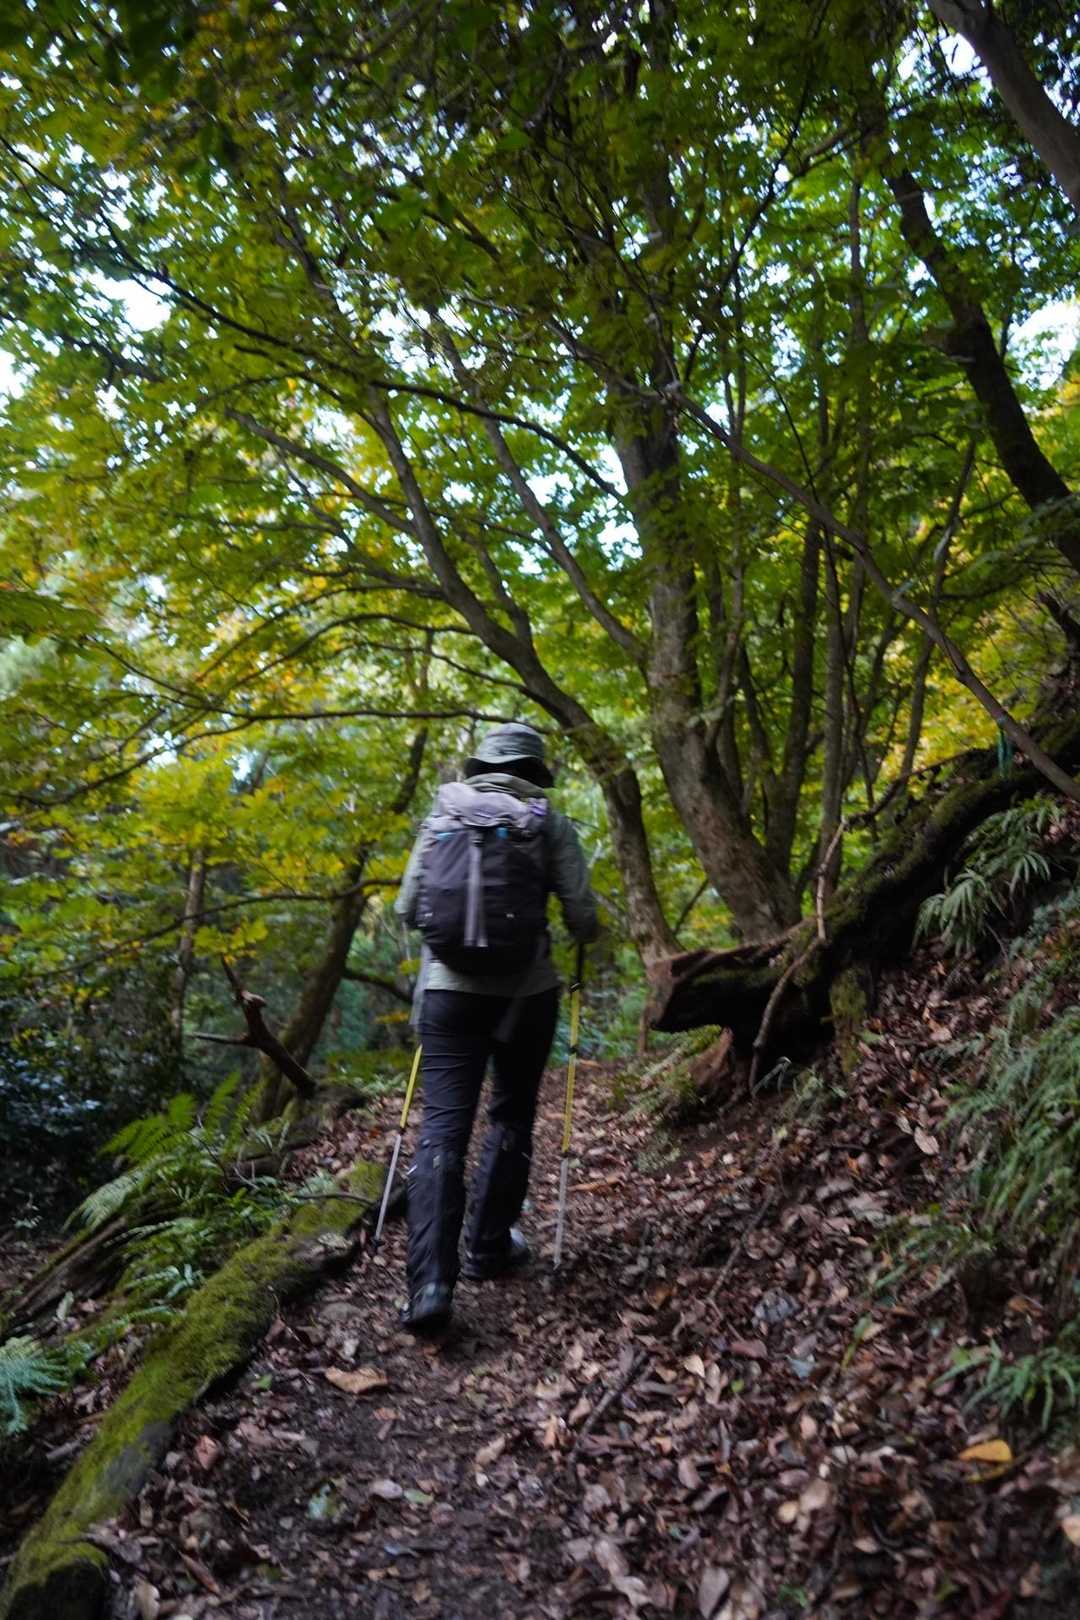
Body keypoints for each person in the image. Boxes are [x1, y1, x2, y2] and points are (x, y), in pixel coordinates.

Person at [394, 721, 599, 1335]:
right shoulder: (548, 822)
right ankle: (488, 1246)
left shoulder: (443, 812)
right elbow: (582, 916)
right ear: (536, 773)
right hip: (525, 995)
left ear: (480, 766)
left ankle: (430, 1285)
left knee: (442, 1129)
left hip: (447, 996)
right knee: (511, 1114)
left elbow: (406, 909)